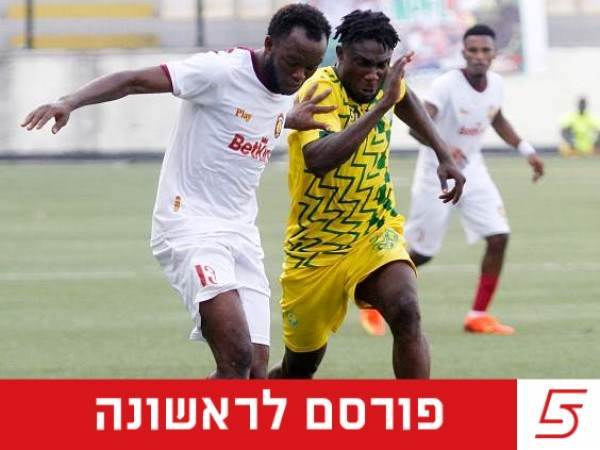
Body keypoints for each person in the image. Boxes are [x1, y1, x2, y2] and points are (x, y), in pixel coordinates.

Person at [21, 3, 334, 379]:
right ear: (269, 44)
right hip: (190, 225)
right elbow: (133, 80)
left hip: (241, 233)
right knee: (236, 355)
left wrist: (287, 118)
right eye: (292, 63)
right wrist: (68, 101)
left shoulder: (285, 89)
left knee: (254, 370)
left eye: (310, 68)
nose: (299, 75)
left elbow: (252, 115)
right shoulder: (219, 71)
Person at [269, 10, 465, 379]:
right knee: (299, 369)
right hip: (315, 248)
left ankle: (416, 413)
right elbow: (318, 159)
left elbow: (406, 98)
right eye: (363, 64)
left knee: (406, 309)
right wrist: (382, 106)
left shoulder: (383, 85)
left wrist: (443, 154)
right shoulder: (320, 89)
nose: (373, 74)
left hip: (373, 231)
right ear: (341, 54)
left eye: (381, 65)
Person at [401, 24, 544, 335]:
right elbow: (415, 125)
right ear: (463, 52)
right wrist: (443, 148)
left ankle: (478, 315)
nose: (479, 56)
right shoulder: (445, 85)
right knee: (422, 253)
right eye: (473, 50)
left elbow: (497, 117)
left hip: (473, 170)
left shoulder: (496, 84)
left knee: (499, 236)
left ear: (494, 54)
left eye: (485, 51)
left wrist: (526, 149)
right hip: (437, 174)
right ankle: (371, 301)